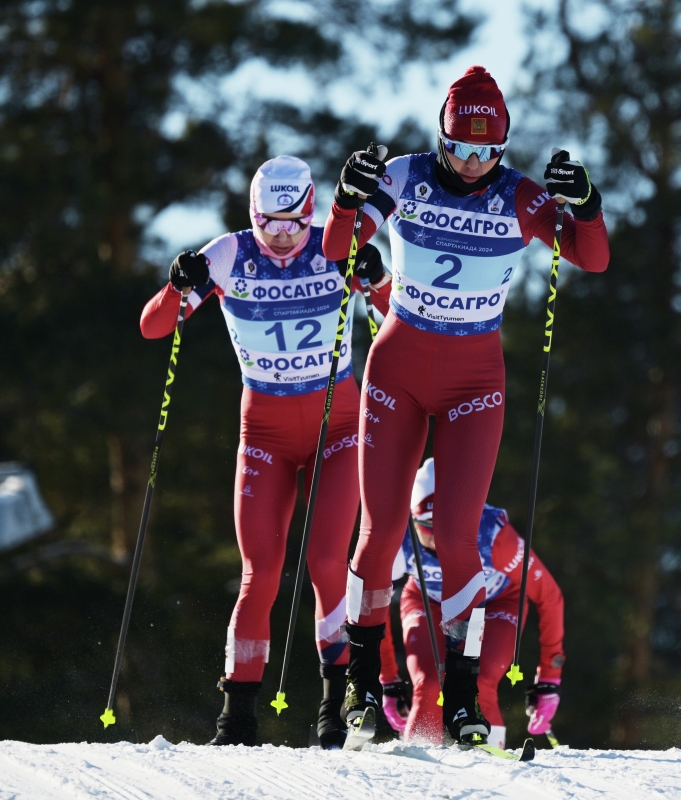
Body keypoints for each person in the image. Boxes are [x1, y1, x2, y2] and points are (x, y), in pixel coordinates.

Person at [321, 65, 607, 745]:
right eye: (460, 150)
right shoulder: (405, 176)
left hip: (475, 380)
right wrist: (343, 199)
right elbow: (338, 250)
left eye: (487, 154)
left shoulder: (519, 195)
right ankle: (365, 686)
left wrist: (587, 205)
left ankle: (462, 696)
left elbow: (589, 258)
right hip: (397, 366)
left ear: (503, 151)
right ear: (440, 139)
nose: (473, 165)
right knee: (381, 531)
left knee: (458, 537)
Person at [139, 156, 391, 747]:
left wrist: (377, 280)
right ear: (252, 216)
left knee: (329, 562)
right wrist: (179, 284)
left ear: (311, 213)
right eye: (268, 224)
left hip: (339, 427)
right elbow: (155, 327)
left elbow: (396, 316)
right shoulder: (230, 254)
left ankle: (336, 707)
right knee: (260, 575)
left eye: (293, 224)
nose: (280, 238)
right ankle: (238, 718)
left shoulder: (336, 245)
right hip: (267, 437)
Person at [376, 458, 565, 748]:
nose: (439, 540)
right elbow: (373, 603)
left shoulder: (494, 537)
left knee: (480, 681)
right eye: (428, 529)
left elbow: (549, 595)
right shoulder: (398, 535)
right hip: (429, 601)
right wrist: (387, 677)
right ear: (412, 519)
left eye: (448, 525)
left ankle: (488, 769)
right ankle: (415, 772)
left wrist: (549, 678)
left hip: (494, 604)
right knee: (428, 684)